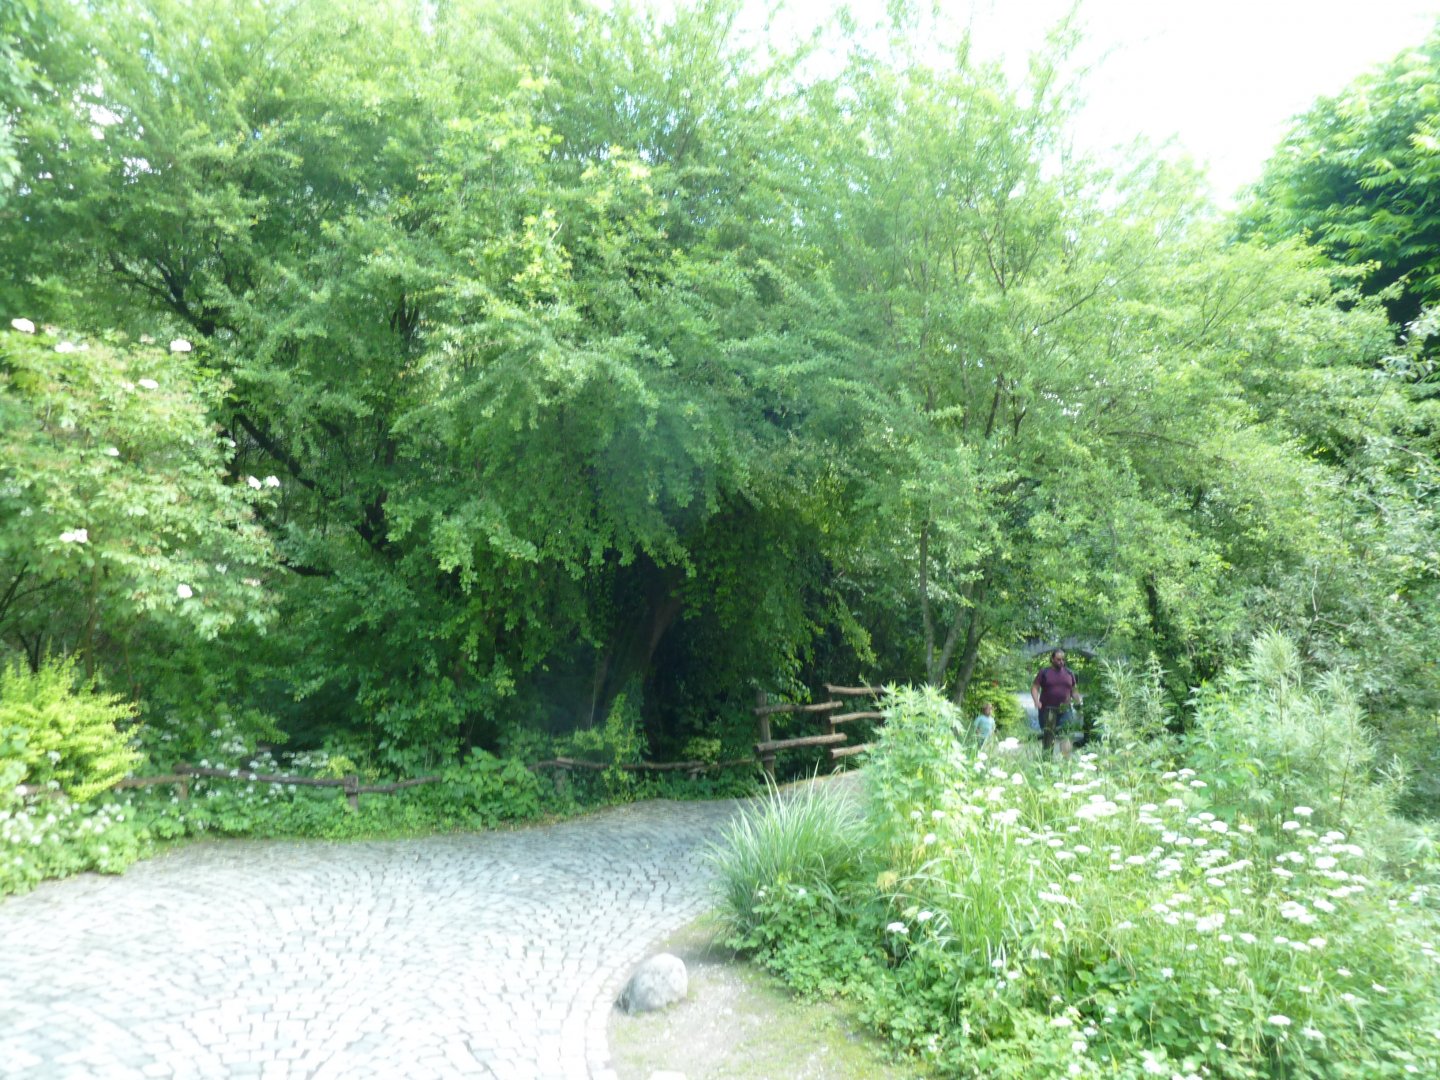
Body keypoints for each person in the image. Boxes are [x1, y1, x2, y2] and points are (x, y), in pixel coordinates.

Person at [1031, 649, 1080, 753]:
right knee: (1048, 737)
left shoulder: (1069, 673)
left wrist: (1078, 703)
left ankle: (1066, 761)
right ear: (1052, 659)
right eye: (1058, 659)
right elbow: (1035, 687)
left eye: (1063, 659)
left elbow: (1074, 690)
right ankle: (1046, 760)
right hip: (1048, 710)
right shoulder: (1044, 672)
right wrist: (1036, 701)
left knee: (1066, 736)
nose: (1061, 662)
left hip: (1065, 710)